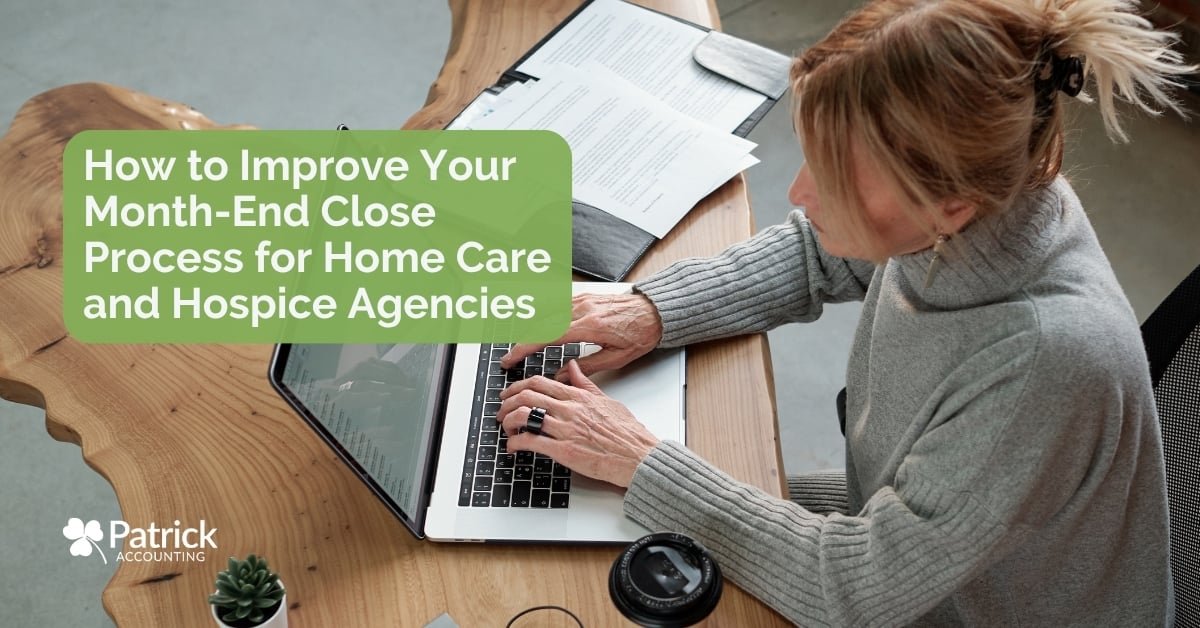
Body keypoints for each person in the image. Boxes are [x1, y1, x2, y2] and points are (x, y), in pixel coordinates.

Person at [497, 0, 1194, 624]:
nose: (799, 193)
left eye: (833, 178)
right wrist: (651, 310)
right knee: (598, 511)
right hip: (907, 538)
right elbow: (821, 253)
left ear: (948, 204)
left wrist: (641, 461)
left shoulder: (1045, 362)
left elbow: (850, 594)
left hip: (958, 605)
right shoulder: (985, 198)